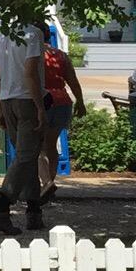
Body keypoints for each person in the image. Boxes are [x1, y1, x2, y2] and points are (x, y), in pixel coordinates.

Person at [0, 13, 48, 235]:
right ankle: (1, 209)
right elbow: (31, 72)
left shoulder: (2, 35)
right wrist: (40, 107)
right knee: (25, 156)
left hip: (7, 98)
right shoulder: (34, 34)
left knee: (28, 157)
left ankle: (34, 212)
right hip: (26, 99)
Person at [39, 29, 86, 201]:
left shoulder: (33, 56)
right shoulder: (61, 56)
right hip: (62, 100)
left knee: (39, 146)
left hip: (43, 100)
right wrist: (80, 101)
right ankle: (51, 179)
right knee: (51, 144)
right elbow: (73, 80)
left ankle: (45, 183)